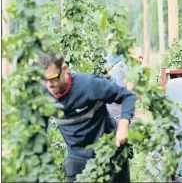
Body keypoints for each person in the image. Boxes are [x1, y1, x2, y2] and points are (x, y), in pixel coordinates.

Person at [39, 52, 137, 182]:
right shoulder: (43, 96)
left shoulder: (89, 85)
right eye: (44, 80)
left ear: (64, 70)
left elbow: (127, 96)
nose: (49, 85)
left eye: (53, 78)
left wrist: (123, 125)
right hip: (77, 157)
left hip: (109, 151)